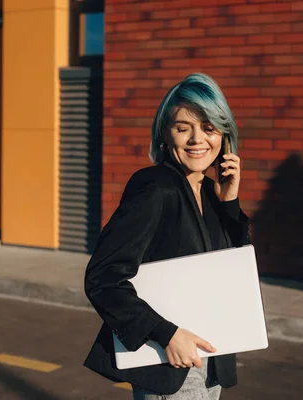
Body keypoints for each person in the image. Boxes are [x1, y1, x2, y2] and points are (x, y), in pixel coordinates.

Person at [83, 73, 250, 399]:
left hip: (210, 360)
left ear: (224, 136)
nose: (197, 139)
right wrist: (166, 335)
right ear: (164, 134)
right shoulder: (154, 187)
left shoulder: (210, 192)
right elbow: (102, 278)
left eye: (209, 127)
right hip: (170, 364)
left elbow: (233, 272)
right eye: (183, 127)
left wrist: (230, 205)